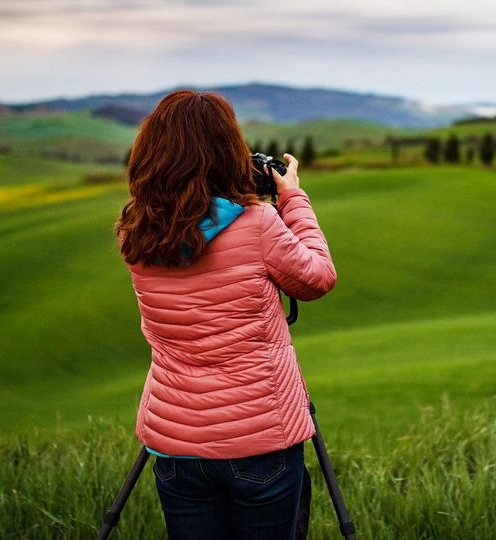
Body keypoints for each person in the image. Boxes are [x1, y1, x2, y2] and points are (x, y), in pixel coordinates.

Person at [115, 89, 336, 539]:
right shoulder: (256, 224)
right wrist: (292, 198)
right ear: (225, 153)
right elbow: (317, 278)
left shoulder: (134, 230)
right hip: (261, 437)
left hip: (176, 443)